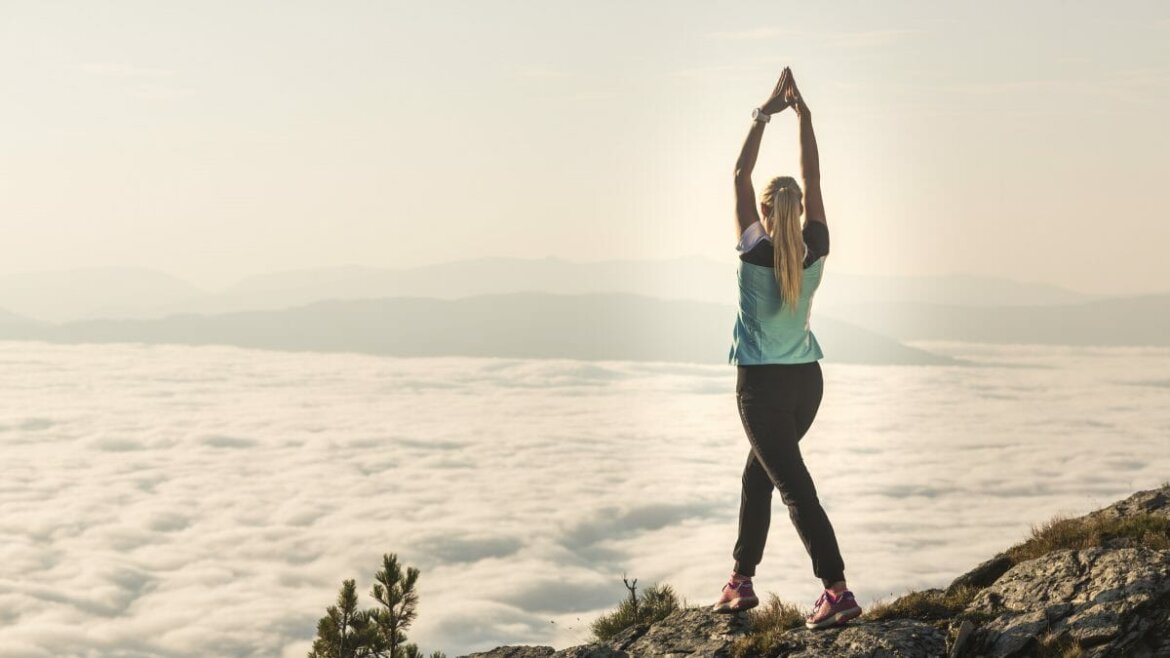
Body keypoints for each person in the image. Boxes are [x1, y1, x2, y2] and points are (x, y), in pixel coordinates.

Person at [711, 67, 863, 630]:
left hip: (762, 388)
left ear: (768, 212)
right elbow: (814, 175)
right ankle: (740, 581)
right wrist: (805, 117)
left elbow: (738, 173)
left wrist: (764, 113)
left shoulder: (755, 251)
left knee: (794, 488)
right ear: (798, 210)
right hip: (807, 385)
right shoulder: (817, 246)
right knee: (760, 477)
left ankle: (836, 589)